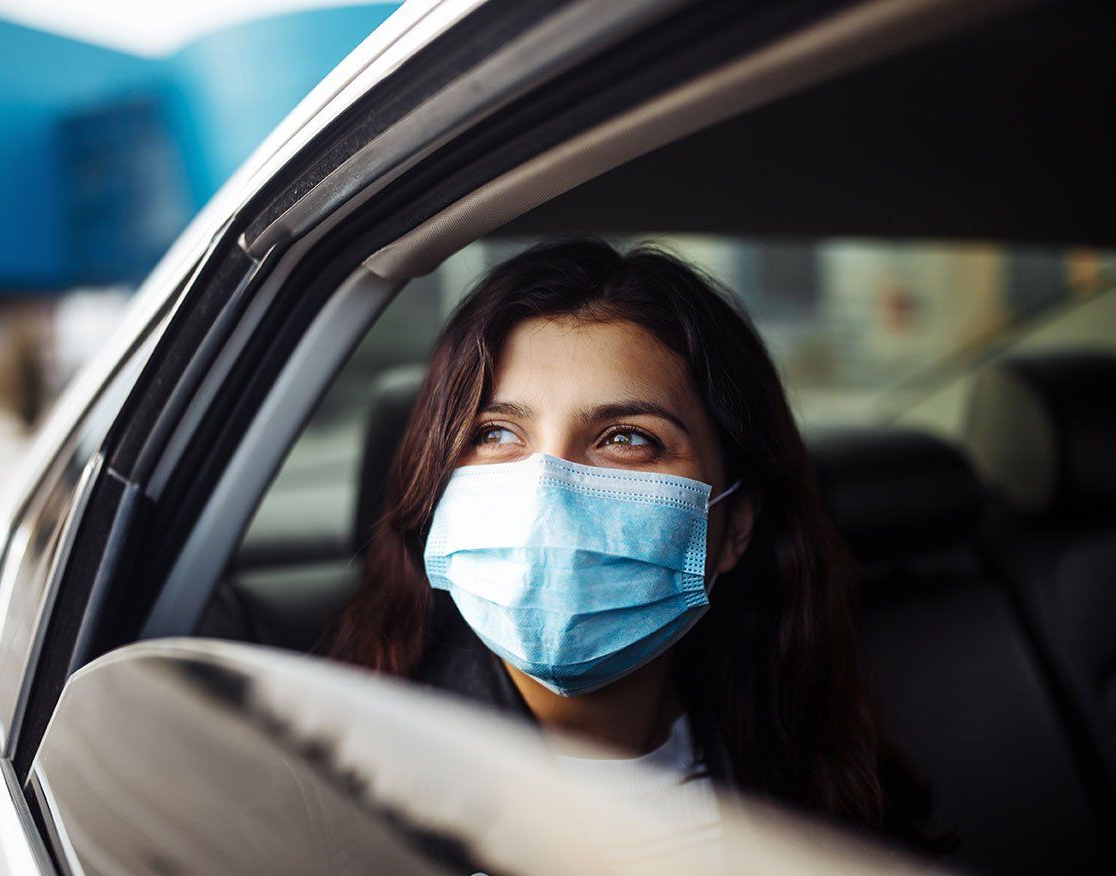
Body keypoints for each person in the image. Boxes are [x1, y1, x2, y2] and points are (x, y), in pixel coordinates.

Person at [330, 238, 933, 845]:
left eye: (626, 439)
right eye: (495, 433)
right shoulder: (334, 797)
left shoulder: (827, 801)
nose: (546, 495)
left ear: (735, 525)